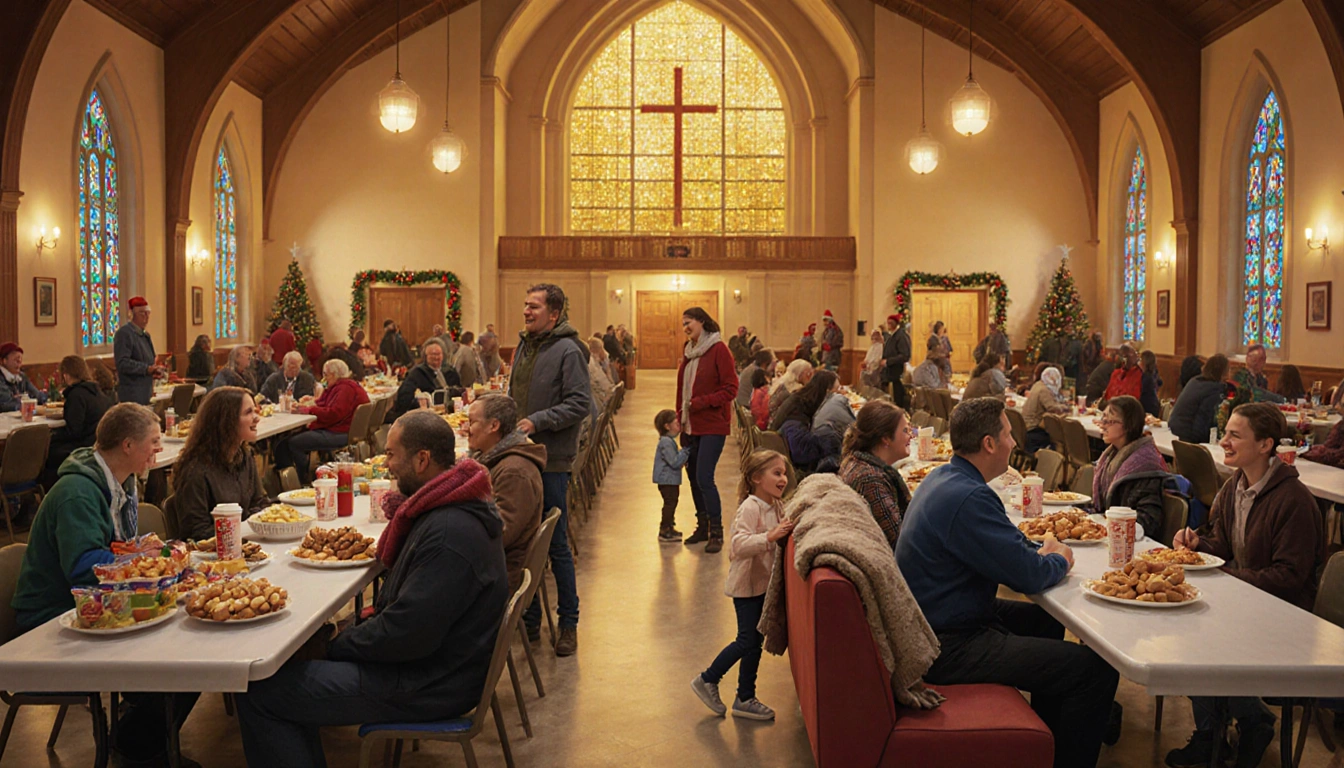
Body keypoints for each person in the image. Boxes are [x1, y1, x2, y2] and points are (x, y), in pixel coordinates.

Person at [236, 411, 508, 767]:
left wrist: (337, 647)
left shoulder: (447, 533)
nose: (386, 464)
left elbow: (406, 634)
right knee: (295, 658)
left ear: (422, 460)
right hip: (440, 665)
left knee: (259, 691)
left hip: (431, 683)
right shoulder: (452, 507)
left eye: (392, 454)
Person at [896, 397, 1119, 768]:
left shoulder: (943, 477)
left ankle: (1046, 737)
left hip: (937, 616)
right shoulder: (970, 495)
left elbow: (1003, 546)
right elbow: (1027, 575)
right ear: (988, 443)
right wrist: (1057, 558)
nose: (1015, 443)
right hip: (945, 644)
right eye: (1008, 433)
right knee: (1094, 671)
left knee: (1047, 619)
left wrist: (1038, 550)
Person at [12, 403, 200, 765]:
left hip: (91, 603)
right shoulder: (77, 492)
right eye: (154, 441)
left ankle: (142, 735)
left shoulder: (120, 482)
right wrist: (139, 557)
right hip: (54, 615)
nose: (159, 449)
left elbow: (117, 551)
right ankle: (137, 745)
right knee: (182, 653)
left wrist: (148, 554)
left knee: (194, 637)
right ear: (128, 445)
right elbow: (85, 568)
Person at [1167, 403, 1324, 768]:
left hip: (1286, 619)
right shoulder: (1234, 486)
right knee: (1183, 629)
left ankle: (1239, 725)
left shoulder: (1294, 501)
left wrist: (1224, 578)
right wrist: (1196, 546)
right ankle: (1225, 728)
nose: (1224, 442)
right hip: (1247, 602)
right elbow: (1220, 544)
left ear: (1266, 445)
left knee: (1202, 639)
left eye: (1235, 435)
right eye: (1226, 433)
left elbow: (1289, 578)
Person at [508, 283, 591, 656]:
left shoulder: (568, 350)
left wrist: (535, 421)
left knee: (555, 544)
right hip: (522, 457)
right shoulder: (526, 345)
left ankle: (568, 623)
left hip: (552, 459)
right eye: (525, 305)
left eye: (534, 307)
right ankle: (529, 620)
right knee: (524, 540)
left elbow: (579, 404)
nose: (527, 311)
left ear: (554, 314)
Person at [691, 449, 795, 722]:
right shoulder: (750, 507)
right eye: (777, 473)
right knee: (747, 640)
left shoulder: (775, 504)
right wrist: (769, 537)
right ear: (756, 478)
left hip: (761, 585)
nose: (783, 478)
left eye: (784, 473)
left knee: (755, 642)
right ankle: (708, 678)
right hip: (747, 587)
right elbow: (738, 545)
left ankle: (745, 697)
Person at [466, 394, 545, 592]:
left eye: (471, 422)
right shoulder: (497, 459)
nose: (466, 429)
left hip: (496, 578)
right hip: (493, 567)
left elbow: (499, 533)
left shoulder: (514, 473)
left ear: (494, 426)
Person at [676, 306, 739, 554]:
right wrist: (680, 417)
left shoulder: (719, 350)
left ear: (702, 322)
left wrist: (701, 402)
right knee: (692, 476)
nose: (685, 327)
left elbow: (731, 388)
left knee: (704, 476)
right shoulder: (689, 351)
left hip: (713, 424)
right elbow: (682, 389)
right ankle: (702, 526)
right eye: (683, 323)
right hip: (691, 424)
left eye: (689, 322)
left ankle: (716, 531)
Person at [171, 387, 273, 540]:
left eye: (255, 410)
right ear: (227, 420)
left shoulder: (245, 455)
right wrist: (246, 526)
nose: (256, 417)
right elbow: (196, 533)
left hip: (244, 543)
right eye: (248, 412)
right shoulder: (195, 470)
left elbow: (261, 503)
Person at [273, 359, 370, 484]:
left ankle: (302, 480)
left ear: (335, 374)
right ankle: (293, 478)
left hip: (340, 433)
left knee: (293, 442)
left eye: (326, 374)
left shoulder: (344, 389)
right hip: (347, 430)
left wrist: (309, 409)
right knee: (284, 442)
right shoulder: (346, 385)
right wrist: (312, 402)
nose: (324, 378)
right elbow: (327, 404)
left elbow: (334, 413)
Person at [839, 400, 914, 549]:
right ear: (886, 438)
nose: (911, 436)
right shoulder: (870, 480)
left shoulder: (858, 461)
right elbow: (901, 543)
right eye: (905, 431)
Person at [1092, 395, 1169, 535]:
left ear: (1128, 426)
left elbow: (1148, 519)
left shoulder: (1144, 465)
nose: (1102, 425)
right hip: (1113, 533)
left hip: (1130, 541)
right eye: (1102, 419)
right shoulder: (1110, 456)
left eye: (1109, 421)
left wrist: (1112, 525)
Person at [42, 356, 114, 490]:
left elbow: (74, 431)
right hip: (97, 442)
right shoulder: (97, 391)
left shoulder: (76, 395)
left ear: (66, 375)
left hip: (84, 446)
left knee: (47, 451)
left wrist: (51, 436)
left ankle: (53, 491)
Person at [769, 370, 842, 476]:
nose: (840, 394)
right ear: (827, 392)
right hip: (792, 469)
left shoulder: (800, 399)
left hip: (783, 457)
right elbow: (802, 453)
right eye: (837, 391)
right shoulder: (798, 412)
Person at [389, 339, 460, 422]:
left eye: (439, 354)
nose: (436, 357)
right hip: (424, 418)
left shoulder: (448, 371)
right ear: (425, 356)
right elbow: (404, 399)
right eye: (433, 354)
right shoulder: (416, 373)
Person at [113, 296, 166, 405]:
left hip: (145, 391)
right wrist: (146, 369)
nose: (146, 317)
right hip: (132, 393)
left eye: (148, 313)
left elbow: (150, 360)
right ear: (132, 314)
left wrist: (155, 370)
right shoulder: (124, 334)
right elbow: (122, 363)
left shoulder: (145, 335)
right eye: (142, 313)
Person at [1168, 354, 1232, 444]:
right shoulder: (1214, 389)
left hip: (1175, 430)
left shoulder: (1195, 380)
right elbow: (1205, 419)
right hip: (1188, 436)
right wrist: (1204, 444)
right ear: (1223, 372)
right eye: (1228, 369)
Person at [652, 409, 692, 542]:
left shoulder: (668, 441)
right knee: (670, 503)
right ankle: (664, 529)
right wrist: (686, 451)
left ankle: (670, 526)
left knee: (672, 502)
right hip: (667, 480)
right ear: (667, 426)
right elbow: (674, 462)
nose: (679, 427)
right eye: (676, 424)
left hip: (671, 480)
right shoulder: (666, 442)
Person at [1022, 366, 1069, 452]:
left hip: (1026, 427)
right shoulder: (1044, 390)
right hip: (1034, 430)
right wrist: (1065, 407)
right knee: (1059, 438)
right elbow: (1051, 407)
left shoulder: (1038, 385)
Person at [0, 343, 46, 412]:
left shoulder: (22, 376)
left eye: (20, 359)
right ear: (4, 361)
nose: (19, 362)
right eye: (16, 359)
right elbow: (6, 403)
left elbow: (37, 395)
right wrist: (26, 400)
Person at [882, 315, 913, 408]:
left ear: (896, 323)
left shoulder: (901, 336)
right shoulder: (893, 335)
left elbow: (905, 355)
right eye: (888, 323)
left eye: (891, 323)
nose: (889, 325)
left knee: (898, 402)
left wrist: (888, 361)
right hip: (891, 374)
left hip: (897, 373)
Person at [586, 337, 615, 412]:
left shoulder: (592, 361)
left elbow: (598, 382)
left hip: (603, 396)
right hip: (606, 393)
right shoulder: (592, 361)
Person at [1139, 349, 1163, 418]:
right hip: (1154, 406)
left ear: (1144, 362)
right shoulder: (1154, 373)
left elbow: (1140, 394)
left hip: (1148, 409)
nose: (1139, 362)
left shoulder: (1147, 378)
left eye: (1140, 360)